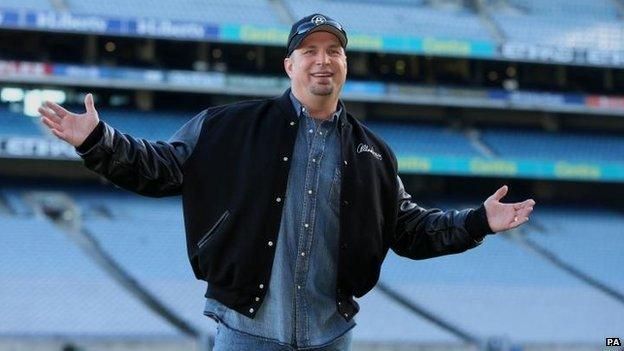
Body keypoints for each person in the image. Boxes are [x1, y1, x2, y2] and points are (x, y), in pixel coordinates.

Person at [39, 13, 535, 351]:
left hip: (330, 335)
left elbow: (408, 229)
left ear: (344, 65)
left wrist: (476, 222)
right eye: (310, 50)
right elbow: (159, 167)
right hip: (246, 330)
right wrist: (98, 141)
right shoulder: (227, 126)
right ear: (289, 65)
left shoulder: (373, 153)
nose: (323, 59)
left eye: (334, 51)